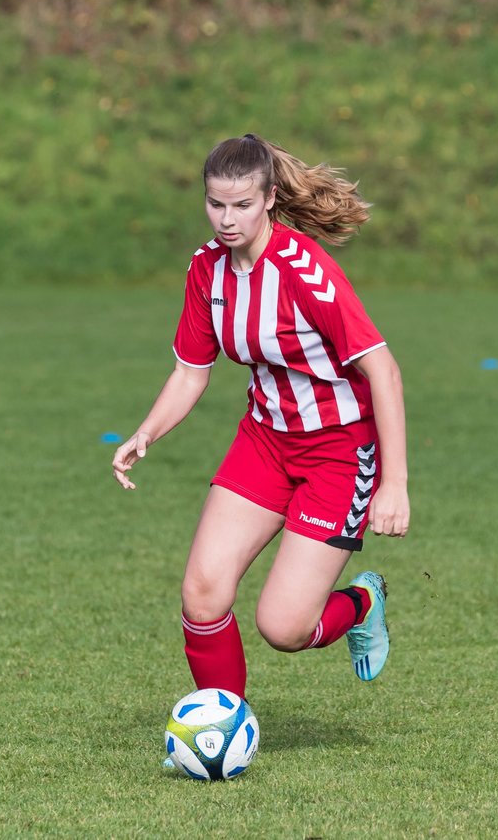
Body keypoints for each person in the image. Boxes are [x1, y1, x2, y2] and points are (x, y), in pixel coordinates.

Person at [112, 134, 410, 713]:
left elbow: (385, 372)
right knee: (201, 593)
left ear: (270, 198)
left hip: (340, 453)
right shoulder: (206, 271)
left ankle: (362, 605)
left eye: (242, 205)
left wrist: (393, 484)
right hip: (266, 441)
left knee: (284, 627)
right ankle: (222, 723)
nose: (227, 219)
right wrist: (145, 432)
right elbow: (190, 373)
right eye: (215, 204)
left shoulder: (306, 271)